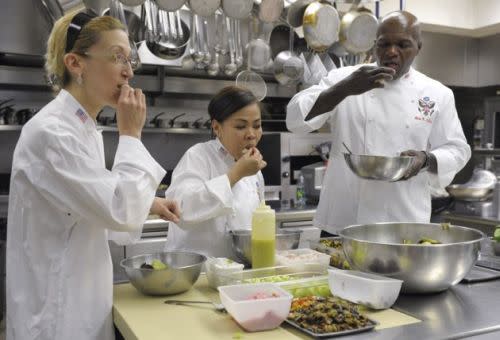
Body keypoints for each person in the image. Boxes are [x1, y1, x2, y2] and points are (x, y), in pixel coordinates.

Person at [6, 11, 180, 340]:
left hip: (82, 304)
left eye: (130, 60)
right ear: (76, 63)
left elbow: (94, 206)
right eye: (117, 57)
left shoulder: (85, 129)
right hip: (57, 316)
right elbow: (120, 212)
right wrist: (131, 135)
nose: (128, 72)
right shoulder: (53, 133)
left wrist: (150, 203)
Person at [286, 11, 471, 234]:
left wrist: (425, 159)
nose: (392, 52)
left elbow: (458, 150)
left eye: (403, 45)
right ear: (374, 46)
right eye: (384, 44)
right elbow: (295, 119)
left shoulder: (437, 93)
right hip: (343, 220)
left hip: (403, 221)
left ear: (418, 47)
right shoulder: (345, 78)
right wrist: (344, 89)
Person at [165, 86, 267, 258]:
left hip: (238, 272)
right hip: (196, 272)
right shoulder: (198, 156)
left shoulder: (255, 172)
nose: (251, 134)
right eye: (241, 126)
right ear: (217, 127)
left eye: (257, 126)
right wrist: (235, 174)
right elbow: (180, 210)